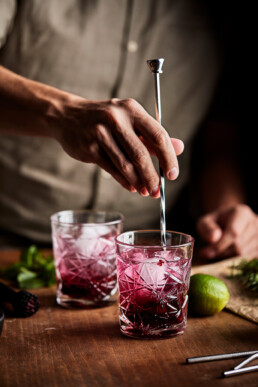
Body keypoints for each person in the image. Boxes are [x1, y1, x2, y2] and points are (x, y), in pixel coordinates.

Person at [0, 0, 257, 259]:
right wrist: (62, 113)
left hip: (140, 252)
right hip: (11, 241)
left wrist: (229, 209)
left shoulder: (220, 11)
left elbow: (218, 139)